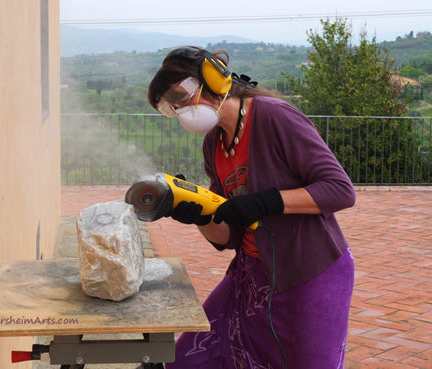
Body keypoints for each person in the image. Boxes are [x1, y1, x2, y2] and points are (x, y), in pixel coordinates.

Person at [147, 46, 355, 369]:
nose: (181, 110)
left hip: (309, 275)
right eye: (172, 107)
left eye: (183, 96)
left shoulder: (274, 116)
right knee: (186, 359)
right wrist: (198, 214)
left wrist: (267, 201)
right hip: (251, 279)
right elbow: (229, 234)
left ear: (214, 80)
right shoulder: (213, 143)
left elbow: (340, 189)